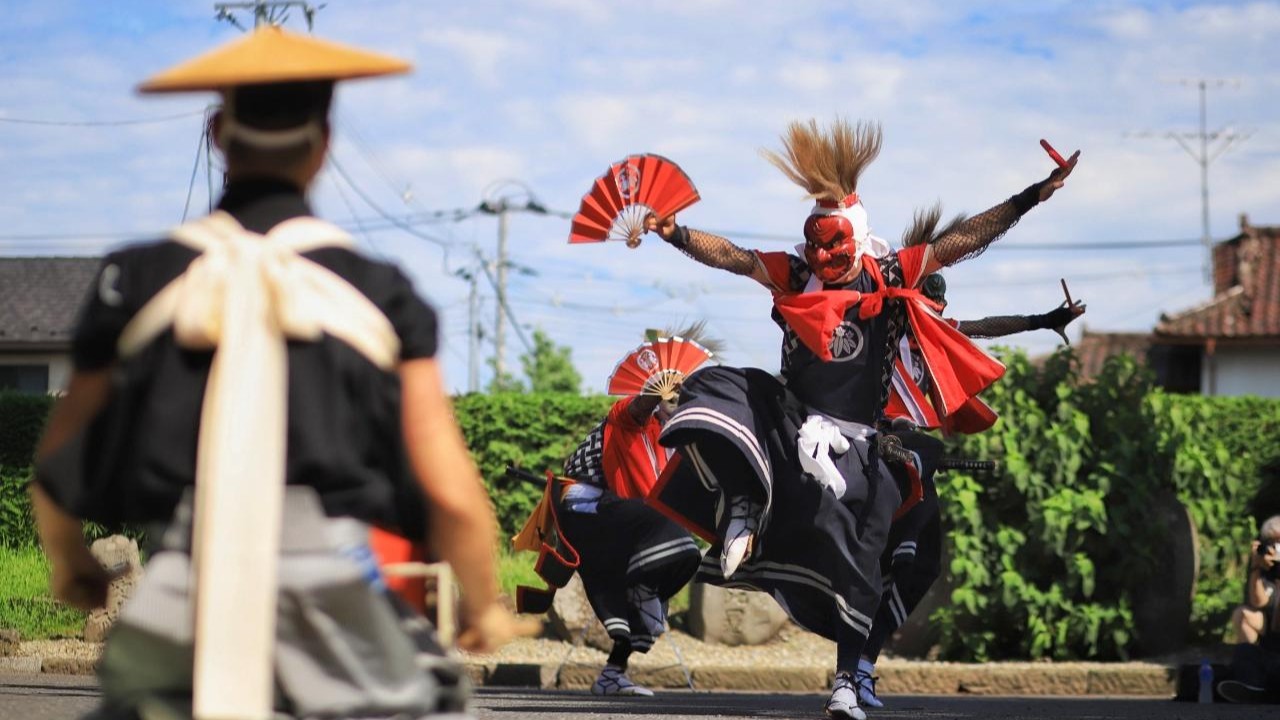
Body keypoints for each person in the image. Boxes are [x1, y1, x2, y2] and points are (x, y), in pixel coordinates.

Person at [30, 24, 530, 720]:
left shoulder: (134, 278)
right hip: (338, 606)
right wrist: (484, 609)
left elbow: (56, 466)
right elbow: (450, 494)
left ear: (216, 133)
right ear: (324, 145)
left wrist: (72, 563)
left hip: (180, 599)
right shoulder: (382, 293)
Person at [644, 118, 1077, 719]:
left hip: (864, 441)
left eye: (834, 248)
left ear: (857, 237)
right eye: (816, 247)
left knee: (875, 540)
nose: (824, 259)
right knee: (719, 384)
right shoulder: (796, 273)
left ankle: (850, 677)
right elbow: (735, 257)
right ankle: (744, 499)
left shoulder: (893, 274)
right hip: (792, 421)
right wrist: (674, 233)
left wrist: (1034, 194)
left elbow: (968, 237)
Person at [855, 268, 1086, 709]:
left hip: (918, 455)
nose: (937, 312)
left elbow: (987, 327)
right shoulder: (881, 326)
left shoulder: (934, 331)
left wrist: (1043, 320)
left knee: (926, 569)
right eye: (929, 302)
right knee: (920, 451)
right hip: (877, 440)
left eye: (940, 307)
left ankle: (864, 663)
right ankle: (898, 544)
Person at [513, 333, 707, 696]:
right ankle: (643, 586)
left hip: (624, 519)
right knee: (665, 529)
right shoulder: (629, 418)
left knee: (661, 571)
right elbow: (637, 407)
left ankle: (612, 675)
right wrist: (655, 388)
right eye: (673, 397)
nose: (676, 404)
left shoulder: (673, 442)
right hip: (584, 512)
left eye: (681, 399)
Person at [1217, 515, 1280, 704]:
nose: (1277, 548)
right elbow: (1258, 602)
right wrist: (1255, 567)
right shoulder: (1262, 563)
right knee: (1242, 619)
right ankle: (1252, 682)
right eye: (1273, 542)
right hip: (1270, 625)